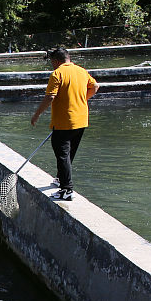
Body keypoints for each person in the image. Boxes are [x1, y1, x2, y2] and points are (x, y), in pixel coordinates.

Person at [30, 46, 99, 201]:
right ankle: (61, 179)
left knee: (62, 155)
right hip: (81, 120)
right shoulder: (81, 71)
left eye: (52, 62)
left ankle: (66, 190)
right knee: (69, 153)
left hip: (64, 122)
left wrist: (36, 115)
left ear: (55, 61)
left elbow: (50, 97)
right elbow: (95, 86)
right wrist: (82, 100)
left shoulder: (57, 73)